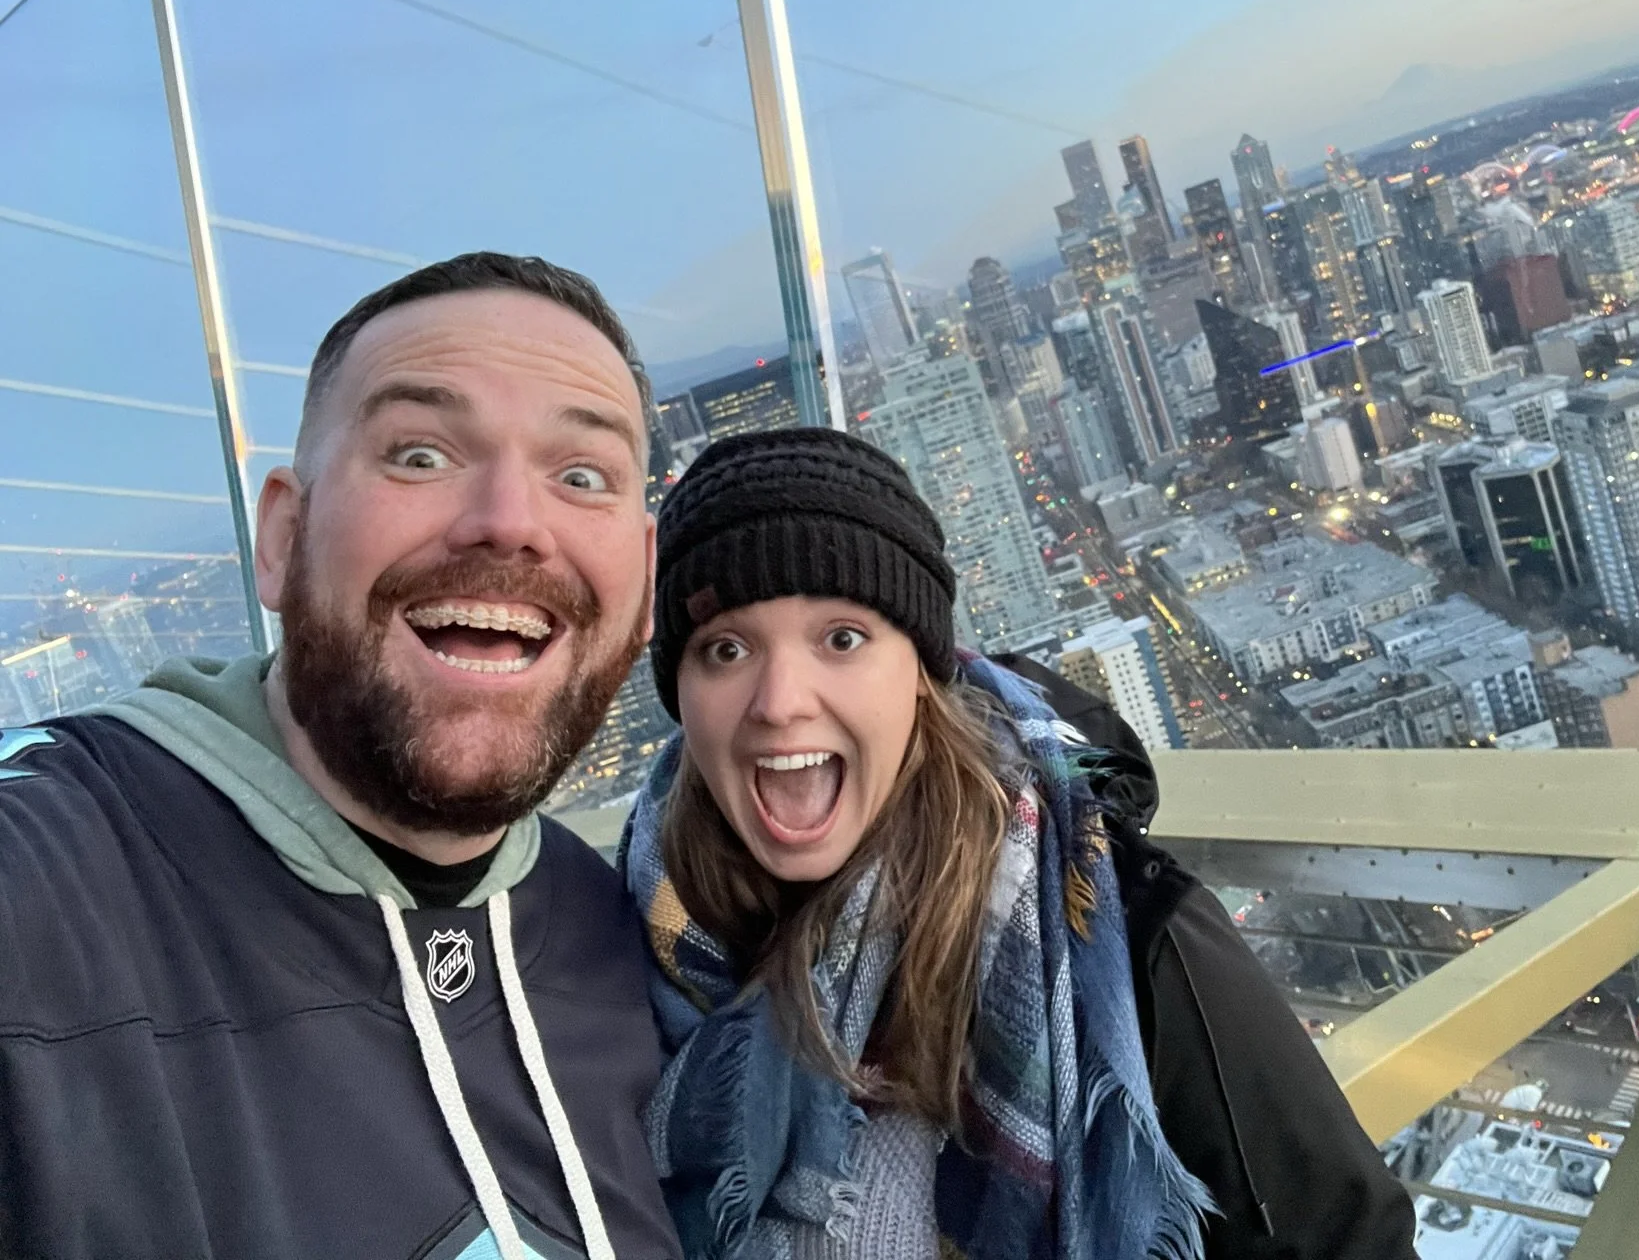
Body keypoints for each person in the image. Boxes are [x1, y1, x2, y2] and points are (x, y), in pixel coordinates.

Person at [0, 253, 683, 1259]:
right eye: (418, 454)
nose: (509, 520)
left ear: (645, 589)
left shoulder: (612, 933)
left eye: (581, 476)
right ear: (281, 537)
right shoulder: (55, 889)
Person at [621, 426, 1418, 1260]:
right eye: (726, 648)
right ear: (682, 688)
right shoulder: (629, 941)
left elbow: (1343, 1241)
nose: (779, 701)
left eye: (842, 639)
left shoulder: (1117, 934)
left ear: (922, 672)